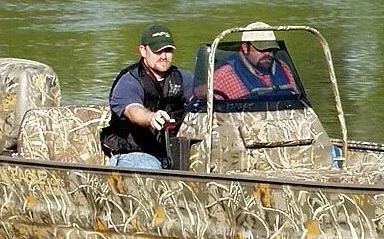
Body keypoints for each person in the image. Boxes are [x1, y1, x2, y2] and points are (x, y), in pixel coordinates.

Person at [101, 23, 194, 169]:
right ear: (143, 51)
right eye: (158, 51)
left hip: (168, 152)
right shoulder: (128, 81)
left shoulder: (182, 77)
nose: (164, 56)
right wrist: (151, 117)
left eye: (168, 50)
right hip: (132, 153)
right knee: (152, 169)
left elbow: (205, 96)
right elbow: (134, 110)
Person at [212, 22, 299, 100]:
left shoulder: (283, 68)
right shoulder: (222, 77)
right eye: (262, 49)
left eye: (271, 49)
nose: (268, 53)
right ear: (245, 47)